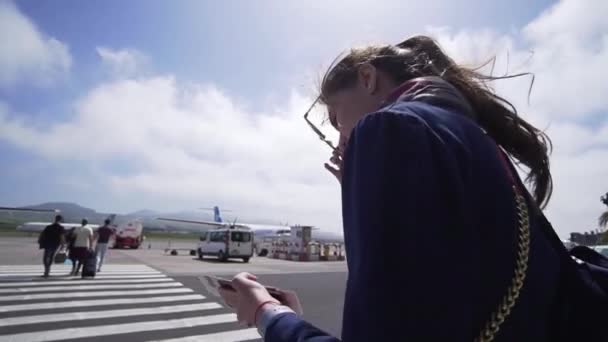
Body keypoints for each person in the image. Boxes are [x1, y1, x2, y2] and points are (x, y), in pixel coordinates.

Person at [219, 35, 579, 341]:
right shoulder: (475, 141)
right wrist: (369, 193)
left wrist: (268, 314)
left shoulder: (390, 131)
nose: (339, 139)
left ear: (367, 78)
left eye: (335, 118)